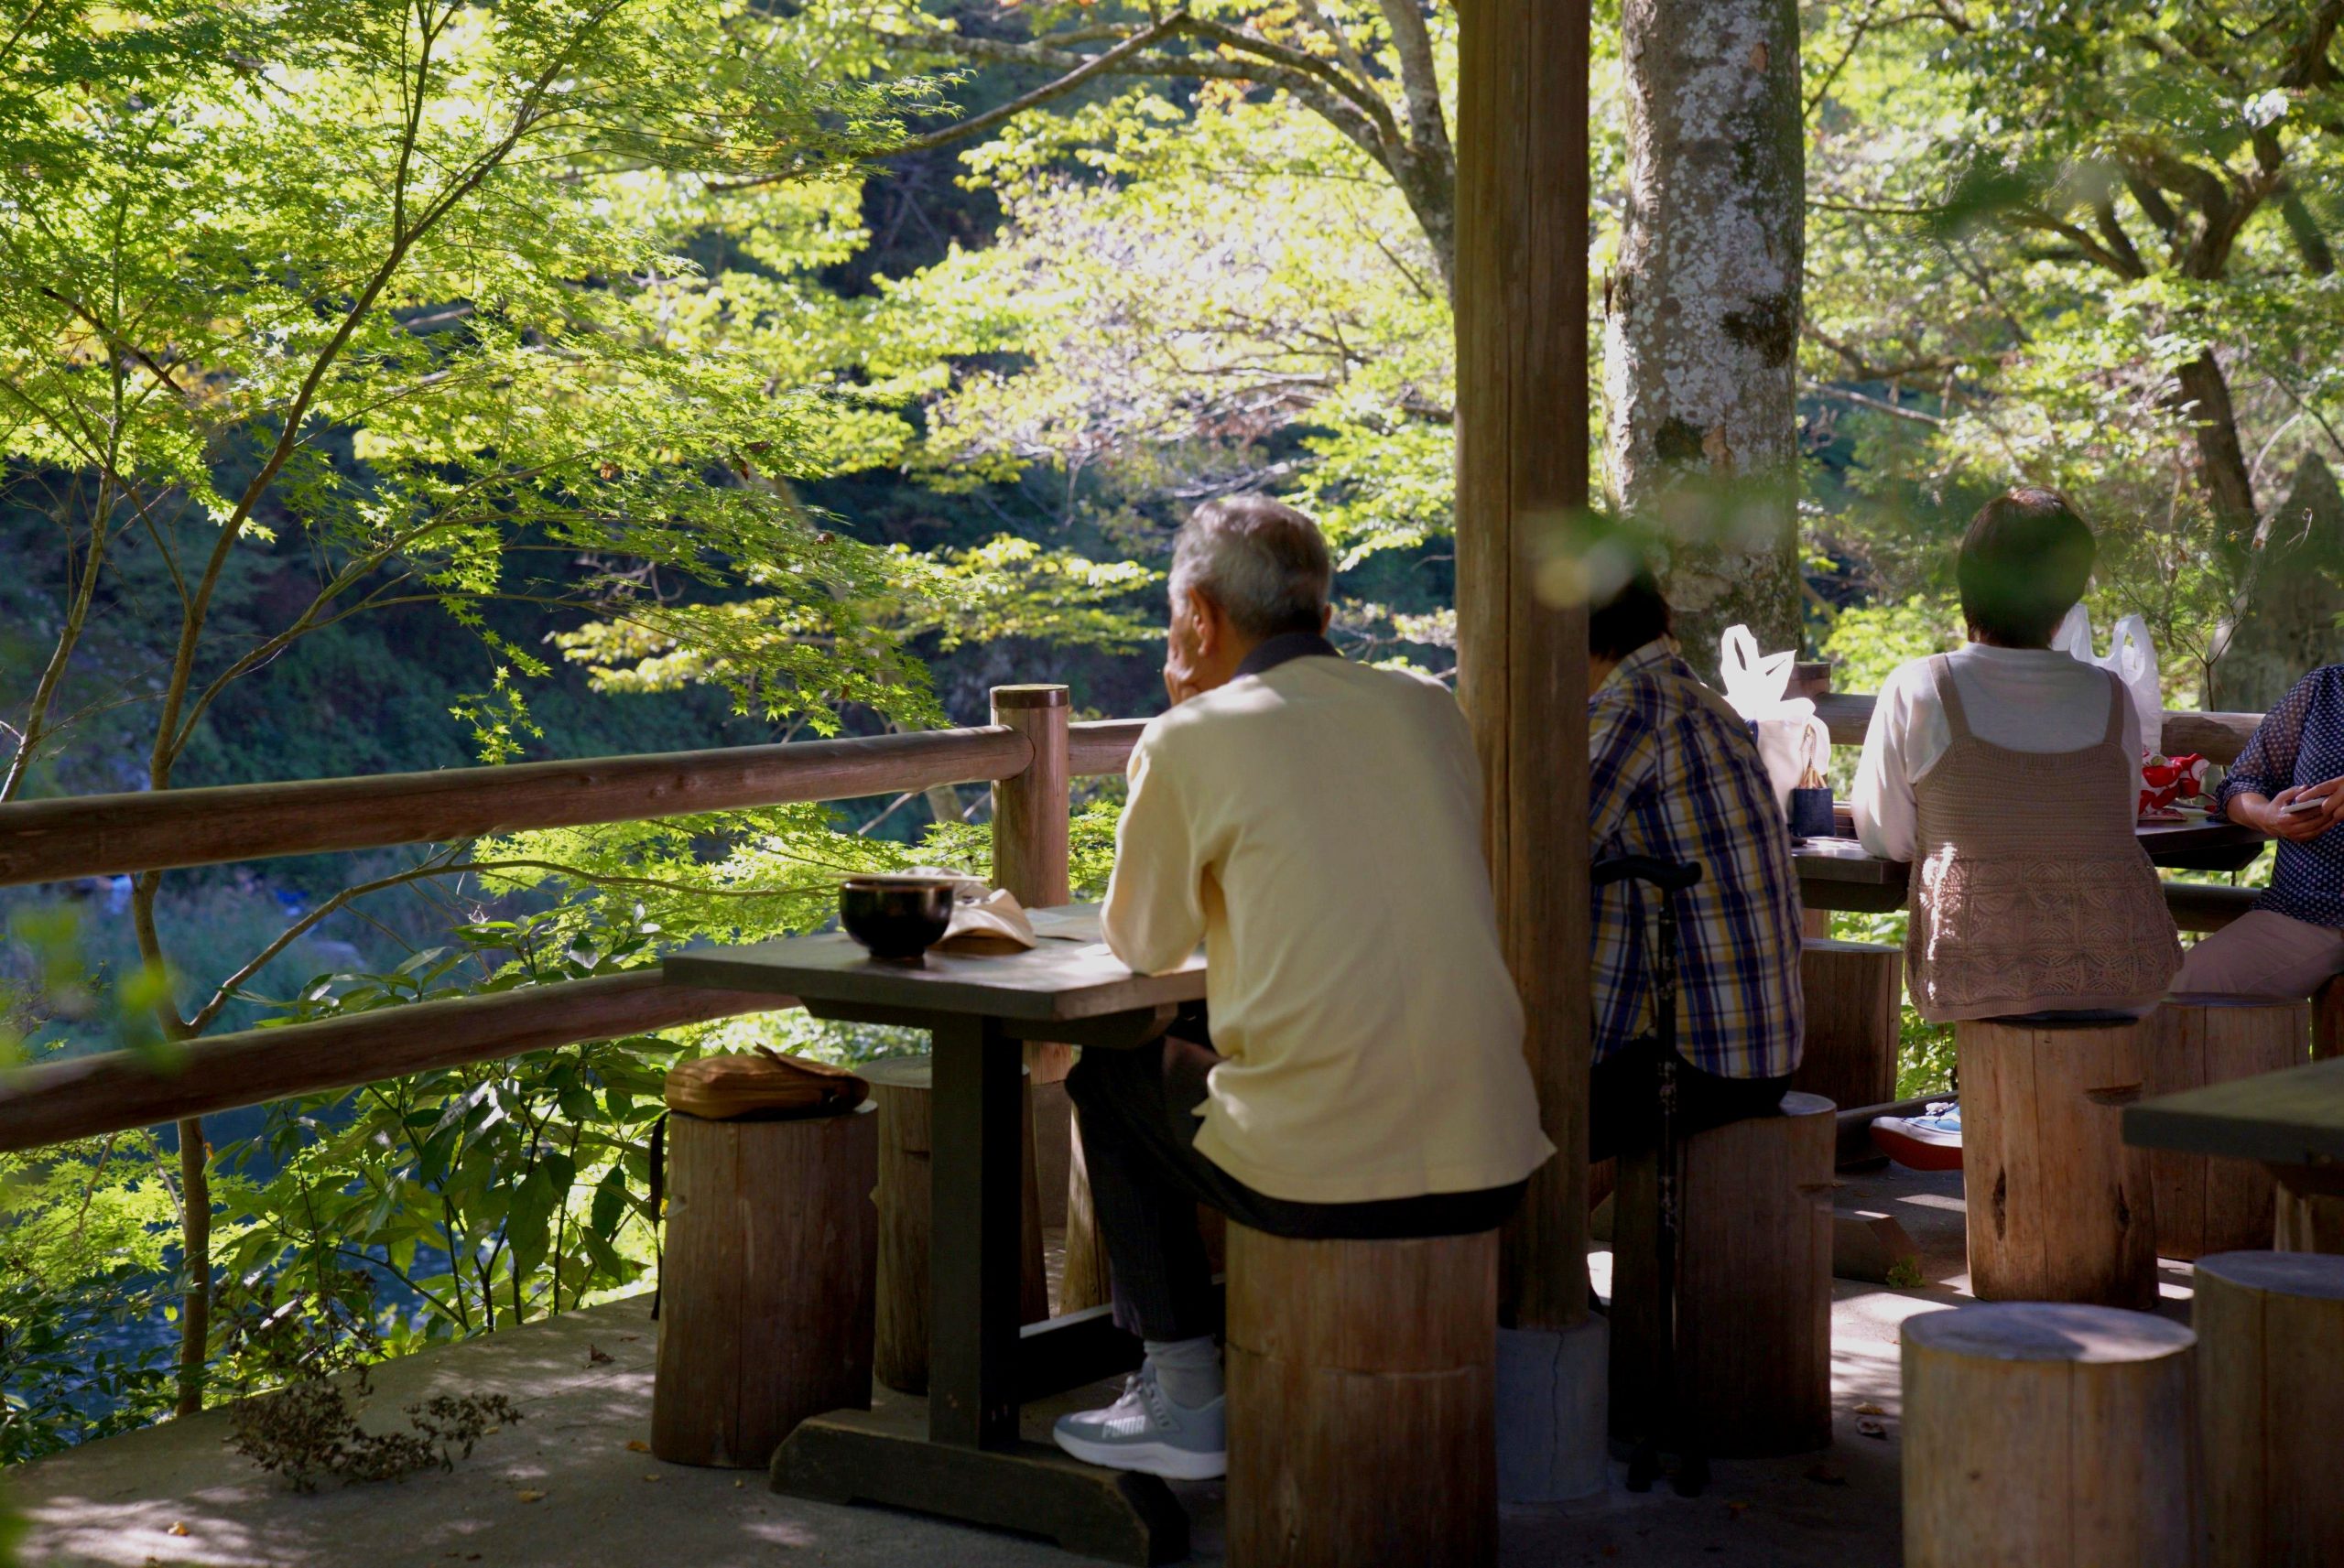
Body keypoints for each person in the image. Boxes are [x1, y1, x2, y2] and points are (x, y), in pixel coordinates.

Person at [1053, 495, 1554, 1481]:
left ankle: (1184, 1395)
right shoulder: (1426, 709)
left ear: (1197, 617)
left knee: (1109, 1077)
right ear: (1321, 613)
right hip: (1493, 1145)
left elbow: (1142, 943)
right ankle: (1197, 1366)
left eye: (1173, 625)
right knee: (1209, 1055)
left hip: (1333, 1165)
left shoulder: (1193, 734)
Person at [1850, 488, 2178, 1158]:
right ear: (2066, 600)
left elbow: (1887, 836)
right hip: (2121, 965)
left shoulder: (1920, 685)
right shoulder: (2111, 694)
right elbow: (2113, 824)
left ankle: (1968, 1117)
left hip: (1982, 969)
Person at [1586, 572, 1805, 1160]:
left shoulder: (1632, 711)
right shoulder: (1692, 697)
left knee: (1469, 1096)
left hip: (1692, 1065)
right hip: (1749, 1053)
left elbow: (1528, 859)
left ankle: (1531, 1253)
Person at [2167, 667, 2344, 995]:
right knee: (2181, 990)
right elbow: (2240, 784)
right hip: (2306, 913)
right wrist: (2268, 816)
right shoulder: (2327, 688)